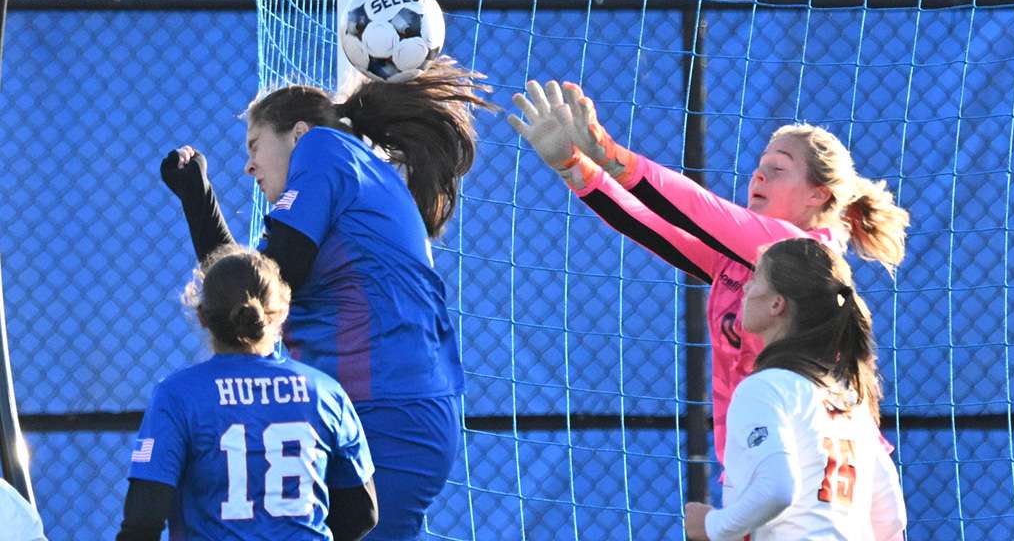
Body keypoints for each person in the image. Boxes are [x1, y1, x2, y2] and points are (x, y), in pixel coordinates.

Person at [159, 57, 494, 540]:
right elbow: (253, 292)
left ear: (297, 132)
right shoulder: (345, 171)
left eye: (255, 145)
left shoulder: (323, 149)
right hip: (378, 412)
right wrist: (197, 197)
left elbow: (261, 283)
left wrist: (199, 200)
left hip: (389, 413)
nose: (249, 164)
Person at [506, 80, 910, 463]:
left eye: (779, 168)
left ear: (817, 195)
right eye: (759, 166)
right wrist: (573, 165)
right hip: (760, 458)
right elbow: (649, 224)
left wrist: (610, 155)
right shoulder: (741, 259)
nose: (759, 175)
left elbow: (696, 208)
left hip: (818, 463)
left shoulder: (807, 254)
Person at [116, 246, 376, 540]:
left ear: (202, 315)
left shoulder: (178, 395)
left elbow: (143, 519)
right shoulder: (326, 393)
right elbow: (362, 513)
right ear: (281, 309)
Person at [683, 238, 907, 540]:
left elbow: (777, 488)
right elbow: (890, 517)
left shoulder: (766, 388)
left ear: (778, 304)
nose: (746, 289)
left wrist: (711, 525)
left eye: (756, 278)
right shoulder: (849, 400)